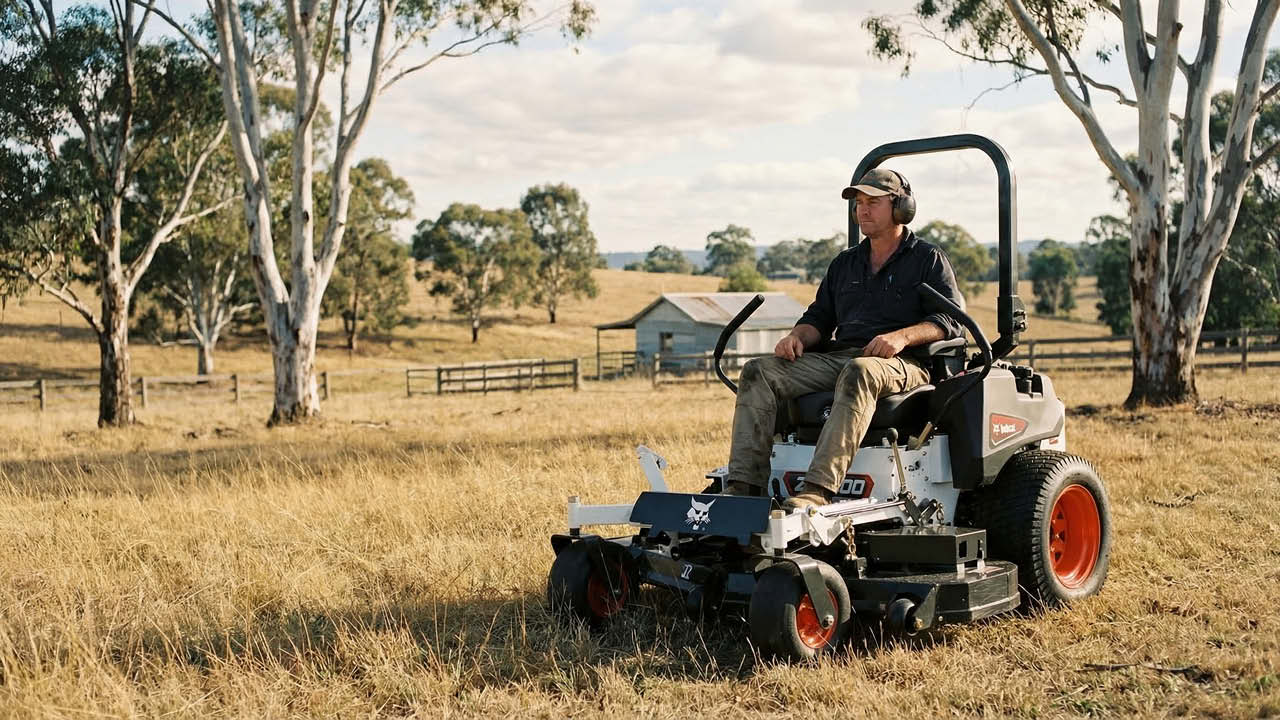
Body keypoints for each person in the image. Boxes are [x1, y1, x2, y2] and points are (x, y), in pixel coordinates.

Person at [722, 168, 965, 510]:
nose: (862, 211)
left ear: (901, 208)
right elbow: (819, 318)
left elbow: (951, 320)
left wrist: (902, 337)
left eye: (873, 203)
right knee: (758, 371)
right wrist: (797, 337)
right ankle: (743, 489)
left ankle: (817, 490)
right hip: (843, 358)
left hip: (904, 364)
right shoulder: (845, 264)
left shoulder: (927, 259)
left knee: (861, 371)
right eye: (859, 203)